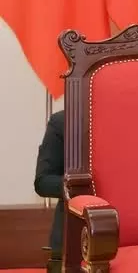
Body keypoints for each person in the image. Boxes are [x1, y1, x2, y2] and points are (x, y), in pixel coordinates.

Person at [34, 109, 65, 271]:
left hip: (127, 240)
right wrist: (77, 185)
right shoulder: (62, 121)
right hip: (70, 239)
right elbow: (43, 181)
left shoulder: (126, 119)